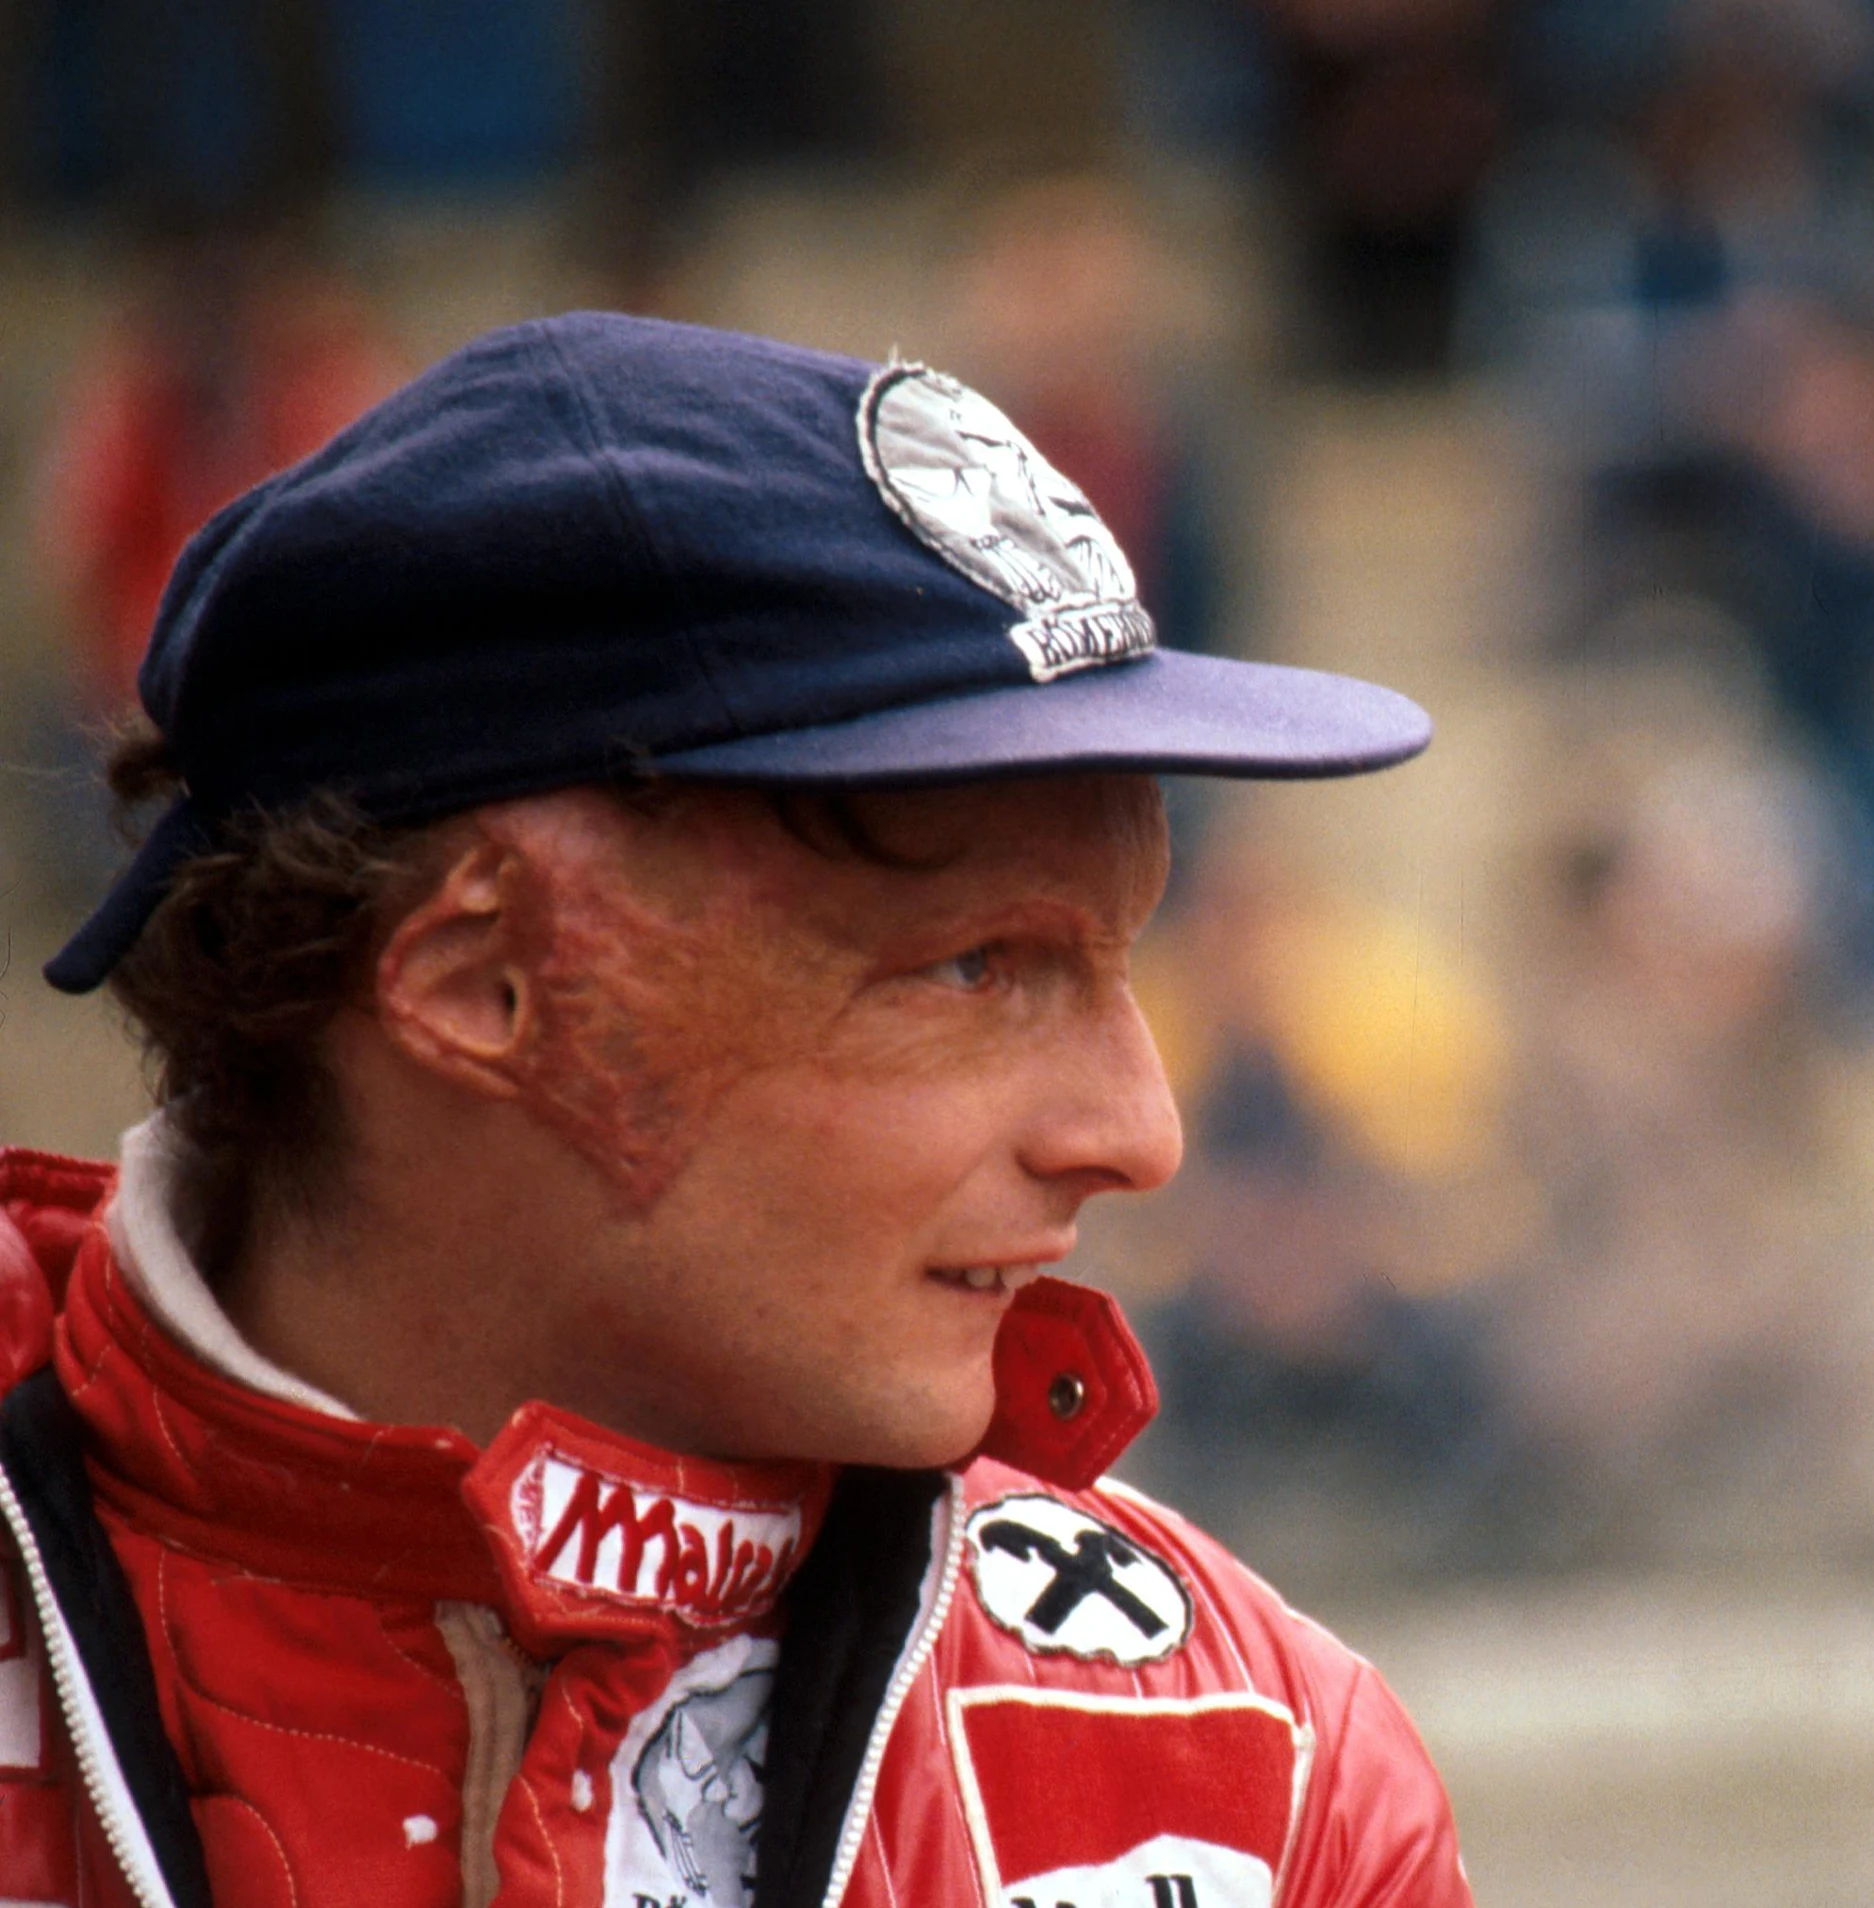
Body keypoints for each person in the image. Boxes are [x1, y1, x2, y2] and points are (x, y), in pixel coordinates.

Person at [0, 312, 1472, 1908]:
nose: (1140, 1135)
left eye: (1118, 959)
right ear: (486, 982)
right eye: (974, 966)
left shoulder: (1258, 1772)